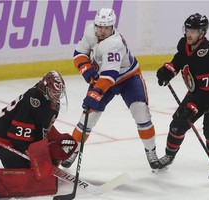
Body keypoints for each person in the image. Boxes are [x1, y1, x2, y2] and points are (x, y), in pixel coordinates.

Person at [61, 8, 159, 171]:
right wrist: (86, 69)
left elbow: (110, 76)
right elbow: (79, 53)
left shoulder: (114, 43)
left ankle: (151, 151)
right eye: (99, 26)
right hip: (103, 78)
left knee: (141, 112)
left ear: (112, 27)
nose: (101, 31)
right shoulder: (90, 31)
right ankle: (72, 151)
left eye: (106, 28)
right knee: (88, 117)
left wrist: (93, 94)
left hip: (128, 78)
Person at [0, 70, 78, 199]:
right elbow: (17, 138)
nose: (57, 95)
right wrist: (35, 157)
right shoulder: (32, 101)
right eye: (54, 91)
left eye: (59, 93)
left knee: (47, 160)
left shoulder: (48, 101)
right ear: (45, 88)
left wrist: (57, 139)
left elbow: (42, 127)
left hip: (20, 137)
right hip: (3, 140)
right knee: (29, 173)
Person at [156, 13, 209, 182]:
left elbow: (208, 93)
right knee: (177, 123)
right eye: (188, 29)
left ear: (202, 33)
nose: (189, 34)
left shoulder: (208, 55)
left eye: (194, 31)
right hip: (201, 90)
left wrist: (191, 108)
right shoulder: (185, 44)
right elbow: (179, 60)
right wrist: (169, 71)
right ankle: (169, 156)